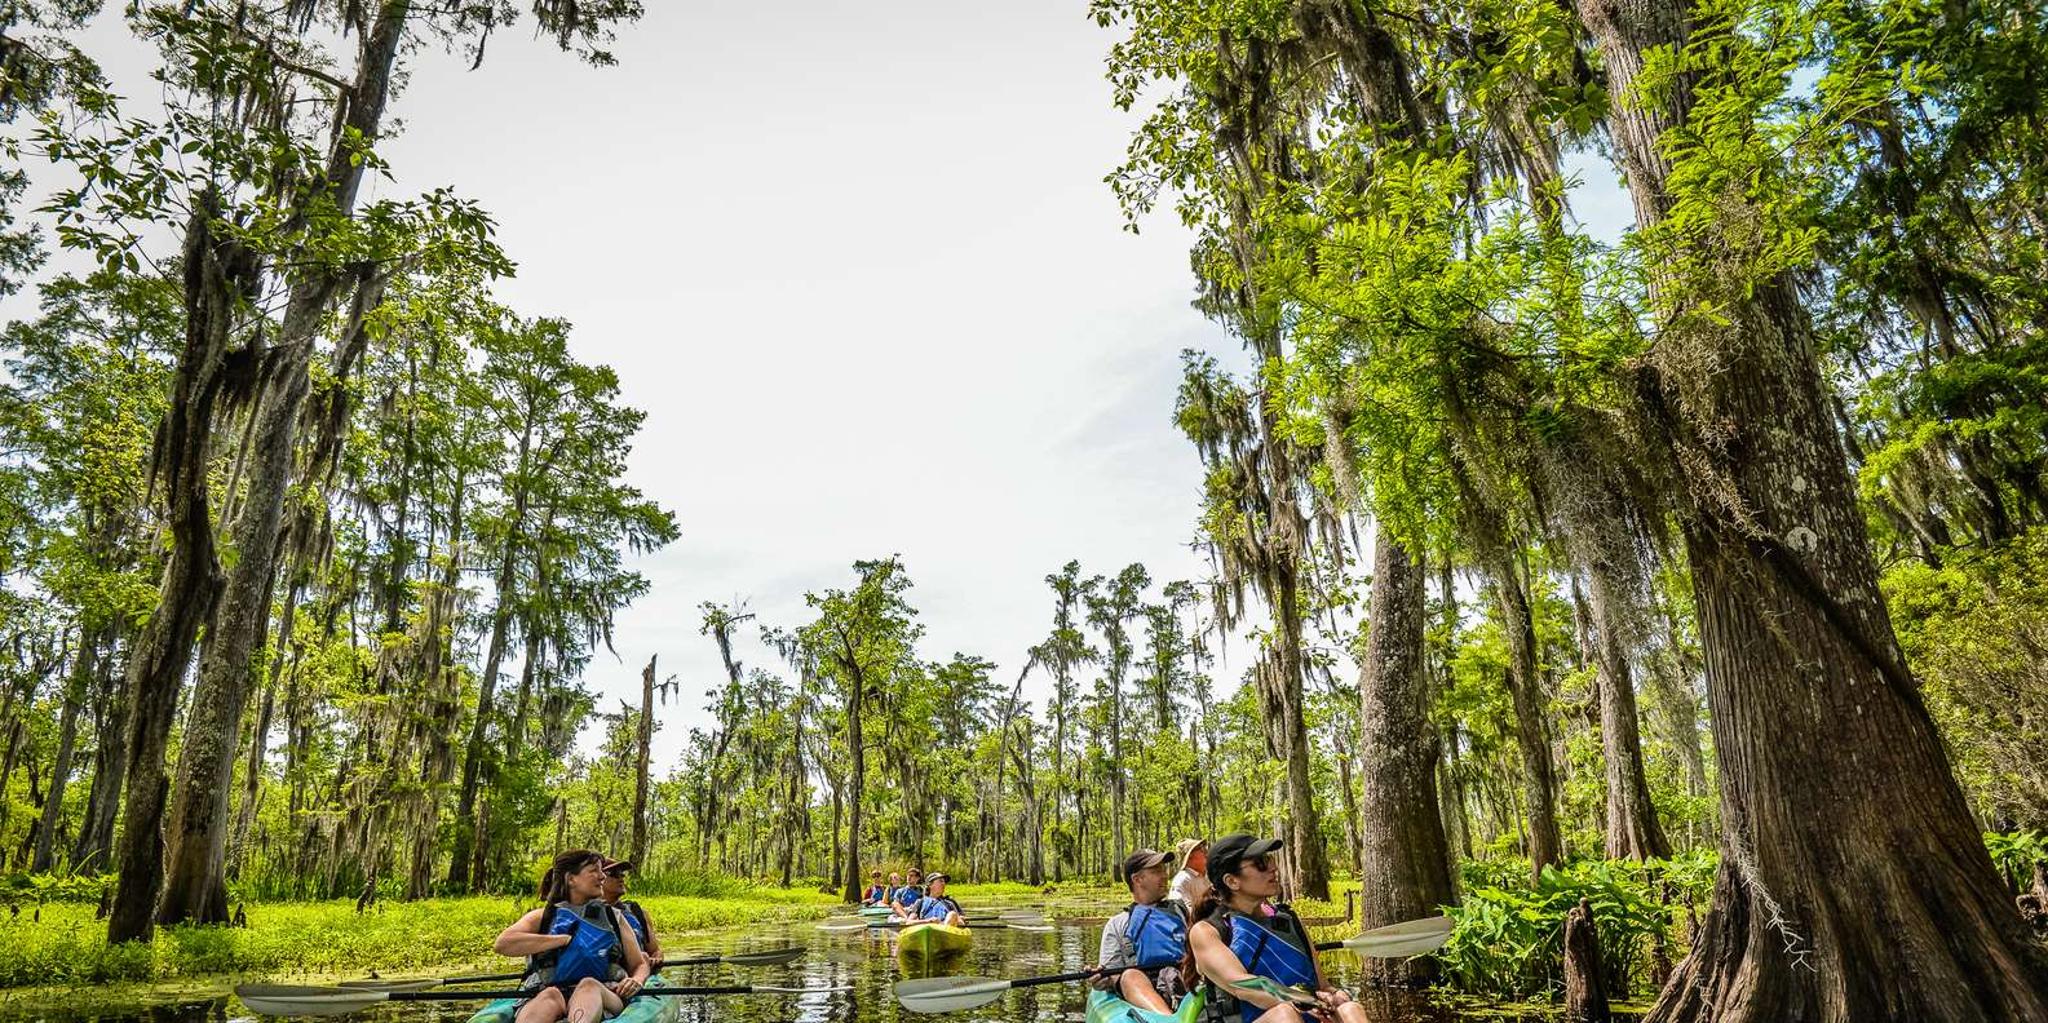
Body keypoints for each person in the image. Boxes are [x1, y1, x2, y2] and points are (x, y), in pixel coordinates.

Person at [1186, 834, 1367, 1023]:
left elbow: (1323, 986)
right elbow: (1244, 986)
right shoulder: (1206, 932)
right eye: (1260, 863)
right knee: (1284, 1015)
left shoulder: (1289, 920)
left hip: (1306, 1012)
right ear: (1232, 881)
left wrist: (1335, 995)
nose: (1273, 867)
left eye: (1269, 859)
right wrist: (1302, 999)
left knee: (1350, 1009)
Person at [493, 849, 653, 1023]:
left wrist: (637, 979)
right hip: (549, 990)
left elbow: (639, 964)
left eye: (601, 871)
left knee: (588, 985)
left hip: (604, 992)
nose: (602, 877)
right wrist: (563, 940)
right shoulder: (543, 917)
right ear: (571, 879)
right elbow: (503, 944)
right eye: (594, 871)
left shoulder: (614, 918)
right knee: (549, 995)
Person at [1094, 848, 1189, 1013]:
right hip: (1145, 985)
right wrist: (1102, 979)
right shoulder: (1117, 924)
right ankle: (1167, 1018)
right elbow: (1112, 974)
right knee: (1129, 976)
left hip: (1184, 977)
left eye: (1164, 870)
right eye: (1156, 871)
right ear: (1137, 879)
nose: (1165, 875)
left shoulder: (1181, 912)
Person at [599, 858, 662, 969]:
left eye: (622, 874)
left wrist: (656, 959)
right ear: (599, 878)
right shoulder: (587, 915)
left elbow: (655, 951)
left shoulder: (637, 912)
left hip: (641, 974)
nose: (621, 879)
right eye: (614, 874)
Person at [899, 871, 966, 926]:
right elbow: (909, 922)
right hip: (926, 928)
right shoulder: (920, 902)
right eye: (940, 881)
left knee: (952, 914)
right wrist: (928, 921)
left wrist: (956, 919)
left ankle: (943, 929)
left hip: (946, 928)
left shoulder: (949, 903)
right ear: (930, 885)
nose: (944, 884)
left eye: (944, 882)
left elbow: (962, 924)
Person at [1169, 838, 1211, 912]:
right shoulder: (1182, 879)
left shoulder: (1207, 876)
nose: (1205, 853)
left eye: (1205, 849)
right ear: (1190, 855)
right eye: (1201, 849)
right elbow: (1180, 910)